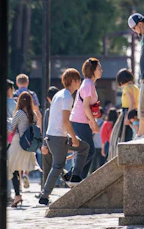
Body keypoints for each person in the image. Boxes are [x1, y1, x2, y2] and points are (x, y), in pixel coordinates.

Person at [38, 69, 90, 206]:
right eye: (79, 80)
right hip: (58, 137)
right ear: (74, 81)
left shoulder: (59, 94)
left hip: (54, 136)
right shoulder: (67, 97)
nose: (80, 83)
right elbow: (66, 121)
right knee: (58, 166)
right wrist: (73, 137)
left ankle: (74, 176)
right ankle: (45, 195)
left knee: (83, 147)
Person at [69, 58, 101, 179]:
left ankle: (75, 175)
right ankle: (76, 176)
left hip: (81, 121)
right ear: (93, 70)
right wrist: (94, 123)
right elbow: (85, 106)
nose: (101, 70)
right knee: (89, 151)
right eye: (99, 68)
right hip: (79, 121)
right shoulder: (88, 84)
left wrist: (91, 122)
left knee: (86, 151)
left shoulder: (89, 83)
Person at [8, 92, 41, 207]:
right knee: (19, 167)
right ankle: (23, 179)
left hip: (17, 143)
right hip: (28, 146)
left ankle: (17, 195)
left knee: (12, 168)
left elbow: (11, 128)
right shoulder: (34, 115)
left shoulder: (19, 113)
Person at [108, 69, 138, 159]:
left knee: (120, 137)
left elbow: (131, 103)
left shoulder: (127, 88)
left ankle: (121, 158)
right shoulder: (136, 88)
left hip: (127, 113)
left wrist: (127, 117)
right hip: (136, 114)